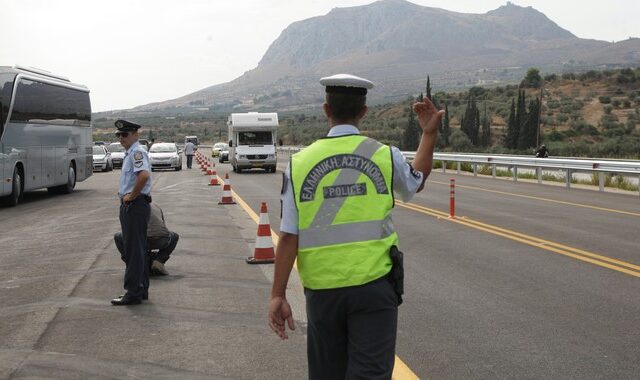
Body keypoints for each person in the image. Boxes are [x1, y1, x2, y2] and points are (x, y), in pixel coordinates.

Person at [268, 74, 443, 379]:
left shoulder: (298, 164)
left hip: (323, 293)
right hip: (375, 287)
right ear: (364, 111)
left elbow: (288, 236)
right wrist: (428, 134)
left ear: (326, 110)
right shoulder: (385, 155)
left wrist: (278, 295)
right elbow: (417, 181)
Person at [111, 119, 152, 306]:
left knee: (133, 250)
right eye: (119, 135)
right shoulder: (131, 152)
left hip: (134, 206)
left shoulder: (136, 152)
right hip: (136, 206)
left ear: (136, 134)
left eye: (125, 134)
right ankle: (141, 289)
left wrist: (131, 196)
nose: (121, 138)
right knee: (139, 249)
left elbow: (143, 175)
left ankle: (132, 292)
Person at [114, 202, 179, 276]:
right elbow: (162, 226)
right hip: (160, 239)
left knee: (118, 237)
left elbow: (126, 230)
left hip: (139, 241)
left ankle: (133, 265)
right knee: (174, 237)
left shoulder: (126, 207)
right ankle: (159, 261)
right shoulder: (155, 205)